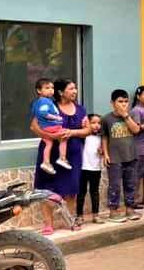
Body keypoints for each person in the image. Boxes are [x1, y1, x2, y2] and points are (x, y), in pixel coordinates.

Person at [31, 78, 92, 235]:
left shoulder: (80, 109)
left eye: (75, 88)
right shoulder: (49, 106)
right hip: (50, 155)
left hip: (72, 155)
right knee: (47, 188)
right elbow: (34, 127)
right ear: (60, 92)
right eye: (71, 89)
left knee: (71, 189)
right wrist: (53, 137)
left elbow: (88, 130)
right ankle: (49, 224)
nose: (75, 91)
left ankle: (68, 219)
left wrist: (72, 132)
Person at [102, 89, 142, 224]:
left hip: (131, 156)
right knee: (115, 185)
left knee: (131, 183)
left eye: (126, 101)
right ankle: (113, 211)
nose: (123, 104)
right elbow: (104, 137)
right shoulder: (107, 119)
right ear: (113, 103)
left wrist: (125, 116)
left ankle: (130, 209)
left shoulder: (131, 115)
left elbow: (136, 130)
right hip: (115, 158)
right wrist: (106, 154)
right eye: (120, 101)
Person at [32, 78, 70, 174]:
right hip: (51, 126)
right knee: (63, 137)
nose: (51, 90)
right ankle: (62, 158)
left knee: (49, 144)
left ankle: (46, 162)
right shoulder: (45, 101)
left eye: (52, 88)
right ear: (39, 90)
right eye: (47, 88)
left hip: (43, 127)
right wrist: (56, 118)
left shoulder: (37, 102)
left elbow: (35, 113)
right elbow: (44, 113)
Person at [76, 114, 104, 225]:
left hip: (96, 169)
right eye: (93, 123)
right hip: (83, 169)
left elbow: (102, 152)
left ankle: (96, 215)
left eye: (99, 123)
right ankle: (79, 216)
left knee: (94, 192)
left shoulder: (101, 137)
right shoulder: (84, 137)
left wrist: (101, 151)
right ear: (88, 123)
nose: (96, 125)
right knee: (81, 193)